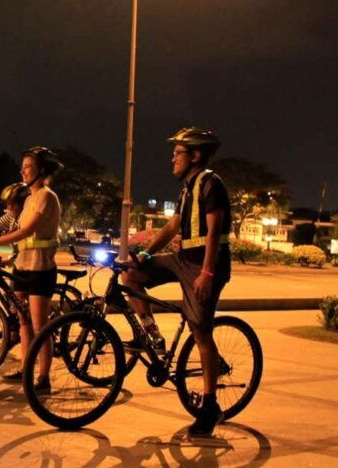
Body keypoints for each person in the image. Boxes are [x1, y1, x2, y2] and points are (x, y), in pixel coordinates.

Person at [121, 127, 231, 437]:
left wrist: (207, 274)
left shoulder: (211, 184)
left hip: (204, 265)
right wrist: (144, 254)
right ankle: (152, 334)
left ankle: (210, 407)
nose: (172, 159)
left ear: (195, 155)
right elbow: (172, 226)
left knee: (201, 331)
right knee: (130, 275)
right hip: (182, 260)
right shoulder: (188, 187)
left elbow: (213, 233)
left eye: (178, 153)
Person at [0, 147, 63, 394]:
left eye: (27, 167)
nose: (22, 171)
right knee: (23, 323)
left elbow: (26, 231)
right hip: (22, 267)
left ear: (41, 171)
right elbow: (12, 225)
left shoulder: (47, 197)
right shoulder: (28, 199)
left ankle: (43, 377)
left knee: (39, 326)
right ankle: (26, 368)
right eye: (23, 166)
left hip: (40, 268)